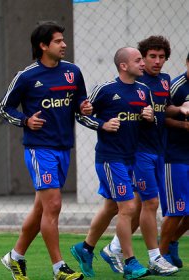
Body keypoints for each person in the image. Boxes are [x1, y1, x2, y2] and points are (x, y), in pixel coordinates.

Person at [0, 22, 92, 280]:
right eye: (58, 41)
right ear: (43, 46)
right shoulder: (26, 76)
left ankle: (14, 257)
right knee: (54, 205)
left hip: (64, 148)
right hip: (40, 149)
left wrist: (86, 110)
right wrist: (26, 121)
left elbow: (80, 106)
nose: (64, 45)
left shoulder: (73, 72)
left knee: (42, 209)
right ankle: (58, 268)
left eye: (63, 41)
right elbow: (4, 109)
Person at [71, 47, 154, 279]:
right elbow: (81, 114)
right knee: (128, 207)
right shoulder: (106, 90)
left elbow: (147, 125)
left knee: (110, 207)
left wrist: (150, 117)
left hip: (131, 158)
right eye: (138, 60)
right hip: (110, 158)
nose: (143, 63)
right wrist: (102, 124)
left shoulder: (143, 91)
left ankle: (85, 248)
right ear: (123, 66)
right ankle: (129, 262)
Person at [99, 36, 178, 276]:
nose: (156, 62)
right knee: (148, 203)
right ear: (140, 60)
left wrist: (180, 110)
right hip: (138, 151)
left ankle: (111, 248)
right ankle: (155, 257)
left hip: (158, 149)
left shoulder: (164, 81)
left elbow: (163, 110)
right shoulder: (134, 83)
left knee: (128, 207)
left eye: (161, 57)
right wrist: (98, 119)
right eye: (151, 57)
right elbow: (100, 109)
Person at [159, 52, 189, 267]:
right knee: (177, 209)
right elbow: (161, 116)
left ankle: (171, 242)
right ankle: (159, 258)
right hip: (175, 155)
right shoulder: (176, 86)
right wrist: (182, 124)